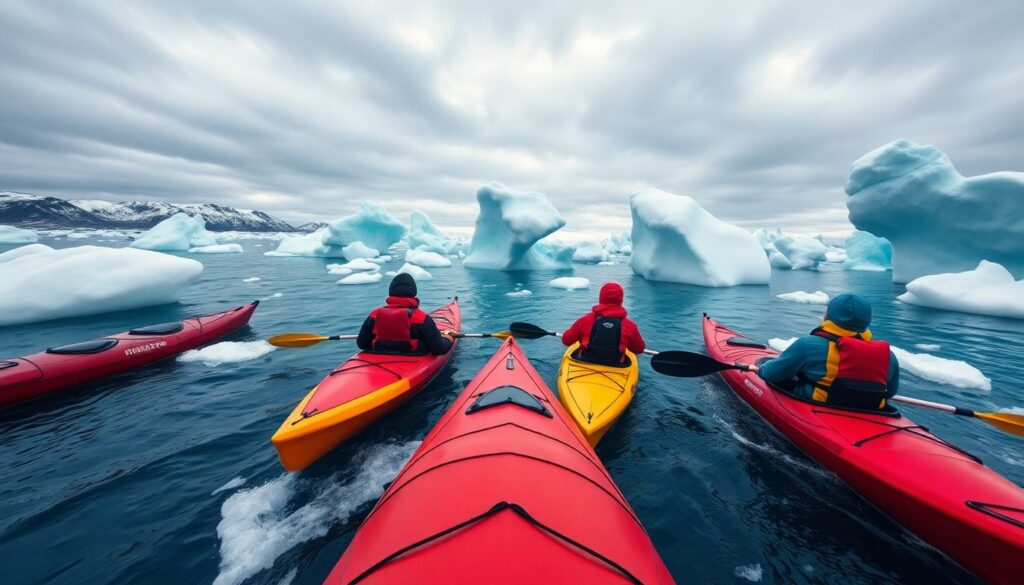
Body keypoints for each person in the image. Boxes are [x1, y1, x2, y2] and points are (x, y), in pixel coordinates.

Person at [755, 293, 900, 410]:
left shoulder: (808, 345)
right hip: (870, 413)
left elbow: (771, 374)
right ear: (867, 320)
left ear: (828, 316)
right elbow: (891, 392)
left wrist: (761, 369)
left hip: (819, 408)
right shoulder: (888, 356)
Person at [356, 273, 454, 355]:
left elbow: (362, 344)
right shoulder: (421, 318)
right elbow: (439, 349)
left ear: (391, 292)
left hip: (379, 355)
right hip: (413, 357)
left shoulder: (374, 315)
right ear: (413, 292)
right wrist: (448, 338)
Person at [562, 282, 645, 366]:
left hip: (586, 361)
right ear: (621, 299)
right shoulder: (630, 325)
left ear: (601, 297)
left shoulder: (585, 320)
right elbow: (639, 349)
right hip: (616, 366)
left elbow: (566, 341)